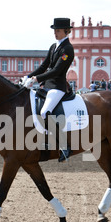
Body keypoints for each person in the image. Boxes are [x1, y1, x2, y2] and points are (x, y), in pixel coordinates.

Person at [21, 18, 74, 162]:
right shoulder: (53, 47)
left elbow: (57, 70)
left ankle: (64, 146)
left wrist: (36, 79)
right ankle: (44, 141)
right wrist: (29, 75)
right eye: (55, 31)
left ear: (66, 31)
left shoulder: (67, 49)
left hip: (58, 87)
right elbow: (44, 66)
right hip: (47, 86)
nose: (55, 33)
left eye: (58, 31)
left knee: (45, 112)